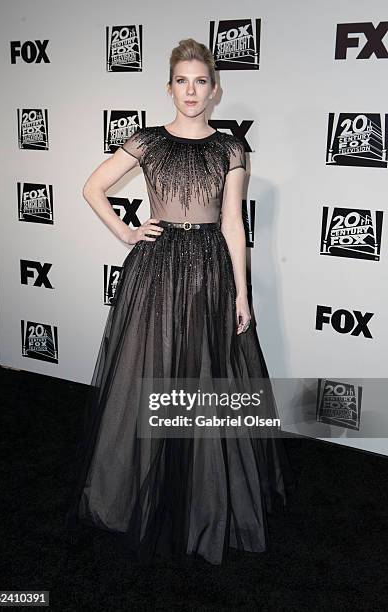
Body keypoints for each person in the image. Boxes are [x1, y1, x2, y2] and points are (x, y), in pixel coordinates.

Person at [66, 38, 295, 566]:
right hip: (157, 269)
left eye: (200, 81)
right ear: (168, 87)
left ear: (215, 90)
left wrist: (242, 292)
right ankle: (139, 495)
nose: (191, 91)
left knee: (207, 381)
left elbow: (234, 224)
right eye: (181, 81)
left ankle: (205, 503)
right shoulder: (146, 140)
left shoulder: (230, 149)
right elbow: (92, 187)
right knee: (153, 375)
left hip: (211, 270)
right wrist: (125, 232)